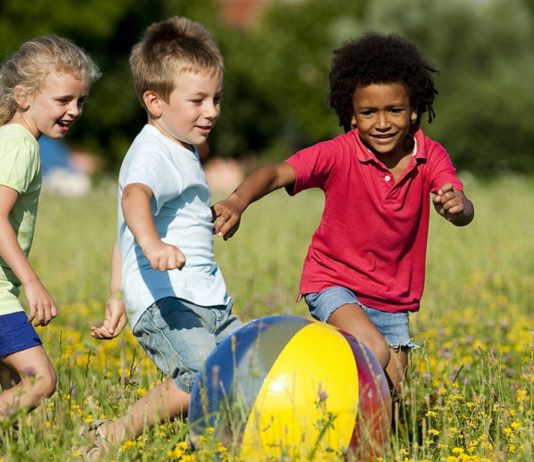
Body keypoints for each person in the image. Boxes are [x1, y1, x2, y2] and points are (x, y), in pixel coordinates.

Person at [213, 32, 474, 396]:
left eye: (394, 110)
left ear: (414, 110)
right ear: (352, 115)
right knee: (374, 352)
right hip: (333, 281)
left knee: (393, 392)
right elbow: (276, 172)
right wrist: (237, 202)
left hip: (393, 299)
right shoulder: (337, 154)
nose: (382, 123)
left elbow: (461, 206)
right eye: (369, 112)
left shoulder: (431, 156)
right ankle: (308, 375)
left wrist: (457, 207)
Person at [85, 16, 243, 459]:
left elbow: (124, 229)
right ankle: (116, 434)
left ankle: (221, 445)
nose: (211, 111)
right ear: (154, 101)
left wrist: (115, 293)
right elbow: (134, 201)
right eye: (198, 100)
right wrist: (154, 246)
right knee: (205, 377)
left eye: (216, 99)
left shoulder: (182, 148)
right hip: (168, 301)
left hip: (207, 298)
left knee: (246, 365)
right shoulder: (152, 153)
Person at [0, 36, 99, 418]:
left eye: (80, 101)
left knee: (11, 388)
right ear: (23, 96)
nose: (74, 110)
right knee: (40, 380)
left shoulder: (12, 140)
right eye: (62, 100)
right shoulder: (20, 145)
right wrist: (32, 282)